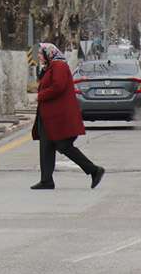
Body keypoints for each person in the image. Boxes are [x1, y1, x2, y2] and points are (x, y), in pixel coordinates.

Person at [32, 42, 105, 191]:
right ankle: (46, 180)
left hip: (59, 117)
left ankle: (94, 170)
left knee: (64, 146)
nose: (38, 57)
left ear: (49, 53)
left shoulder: (59, 66)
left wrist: (40, 96)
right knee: (46, 147)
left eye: (40, 54)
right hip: (48, 116)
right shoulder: (50, 67)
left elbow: (58, 86)